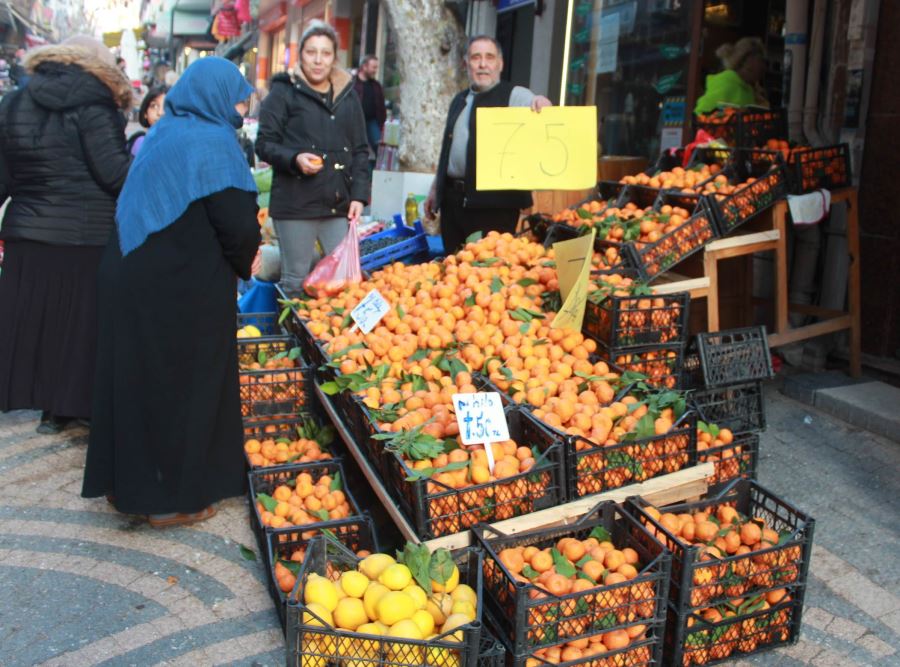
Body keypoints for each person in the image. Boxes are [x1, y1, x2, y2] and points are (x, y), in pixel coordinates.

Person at [82, 57, 260, 527]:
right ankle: (171, 501)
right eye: (237, 96)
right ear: (217, 96)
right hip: (178, 286)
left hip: (133, 272)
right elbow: (238, 225)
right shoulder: (215, 143)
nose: (241, 105)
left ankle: (132, 488)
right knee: (182, 385)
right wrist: (247, 262)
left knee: (140, 382)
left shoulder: (164, 131)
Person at [0, 35, 132, 434]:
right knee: (82, 327)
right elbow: (114, 174)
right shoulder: (95, 104)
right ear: (96, 65)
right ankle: (71, 406)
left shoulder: (13, 101)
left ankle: (47, 407)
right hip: (85, 234)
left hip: (29, 233)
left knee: (41, 325)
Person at [256, 20, 369, 298]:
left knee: (343, 282)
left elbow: (361, 150)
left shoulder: (348, 96)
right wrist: (295, 159)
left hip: (337, 205)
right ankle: (295, 341)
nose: (318, 60)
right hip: (296, 205)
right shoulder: (283, 92)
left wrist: (359, 196)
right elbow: (264, 144)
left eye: (326, 53)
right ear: (300, 54)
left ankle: (331, 341)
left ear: (334, 58)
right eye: (311, 52)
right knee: (296, 281)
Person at [424, 35, 552, 254]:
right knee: (453, 273)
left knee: (485, 275)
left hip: (493, 208)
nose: (483, 64)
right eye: (476, 57)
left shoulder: (512, 95)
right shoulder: (459, 100)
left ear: (500, 64)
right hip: (454, 205)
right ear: (466, 64)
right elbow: (448, 151)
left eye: (489, 57)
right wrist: (436, 189)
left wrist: (540, 102)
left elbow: (533, 103)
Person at [694, 37, 769, 115]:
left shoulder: (748, 89)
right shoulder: (726, 83)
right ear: (748, 61)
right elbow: (700, 114)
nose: (764, 67)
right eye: (761, 61)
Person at [353, 55, 386, 155]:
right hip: (355, 122)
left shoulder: (376, 86)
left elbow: (381, 107)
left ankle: (375, 169)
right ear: (364, 67)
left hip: (372, 122)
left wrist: (382, 125)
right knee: (356, 149)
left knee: (379, 148)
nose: (375, 70)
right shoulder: (352, 83)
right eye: (373, 67)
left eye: (376, 67)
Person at [126, 85, 167, 155]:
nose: (160, 113)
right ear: (145, 113)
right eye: (154, 106)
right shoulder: (140, 143)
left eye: (166, 107)